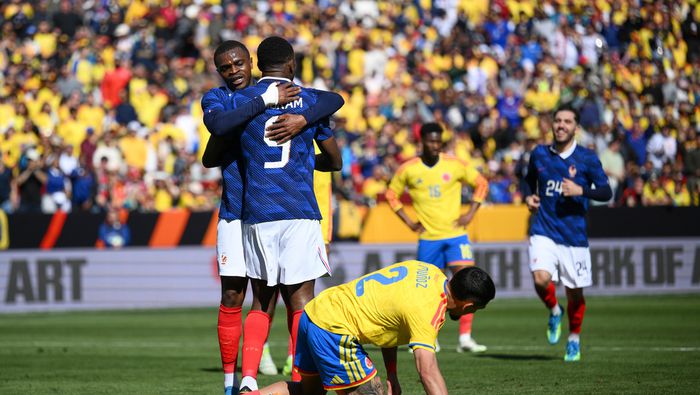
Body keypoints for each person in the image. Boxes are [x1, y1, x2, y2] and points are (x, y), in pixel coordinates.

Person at [201, 40, 344, 395]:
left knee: (269, 298)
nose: (233, 71)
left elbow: (331, 100)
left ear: (253, 63)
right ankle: (233, 383)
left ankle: (280, 377)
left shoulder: (287, 100)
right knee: (239, 296)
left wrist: (302, 118)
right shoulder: (222, 100)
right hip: (239, 211)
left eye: (238, 64)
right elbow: (215, 137)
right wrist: (267, 102)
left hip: (258, 212)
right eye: (225, 67)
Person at [249, 261, 496, 395]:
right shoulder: (430, 310)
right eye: (476, 309)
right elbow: (427, 371)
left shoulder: (428, 271)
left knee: (308, 394)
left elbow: (391, 321)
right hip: (335, 329)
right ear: (468, 305)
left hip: (315, 313)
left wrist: (392, 375)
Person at [385, 122, 490, 353]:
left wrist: (470, 213)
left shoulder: (455, 164)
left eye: (438, 142)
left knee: (468, 283)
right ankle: (428, 336)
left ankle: (465, 339)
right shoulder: (408, 169)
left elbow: (481, 183)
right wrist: (409, 222)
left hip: (456, 236)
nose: (435, 145)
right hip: (429, 239)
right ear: (421, 142)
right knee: (426, 290)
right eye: (430, 141)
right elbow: (391, 195)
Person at [524, 103, 612, 361]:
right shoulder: (539, 154)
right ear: (552, 124)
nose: (561, 125)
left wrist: (581, 191)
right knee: (540, 279)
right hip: (544, 229)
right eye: (558, 120)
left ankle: (574, 338)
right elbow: (528, 179)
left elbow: (606, 192)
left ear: (576, 127)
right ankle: (554, 310)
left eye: (567, 121)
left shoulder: (587, 158)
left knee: (575, 293)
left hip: (574, 237)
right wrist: (529, 195)